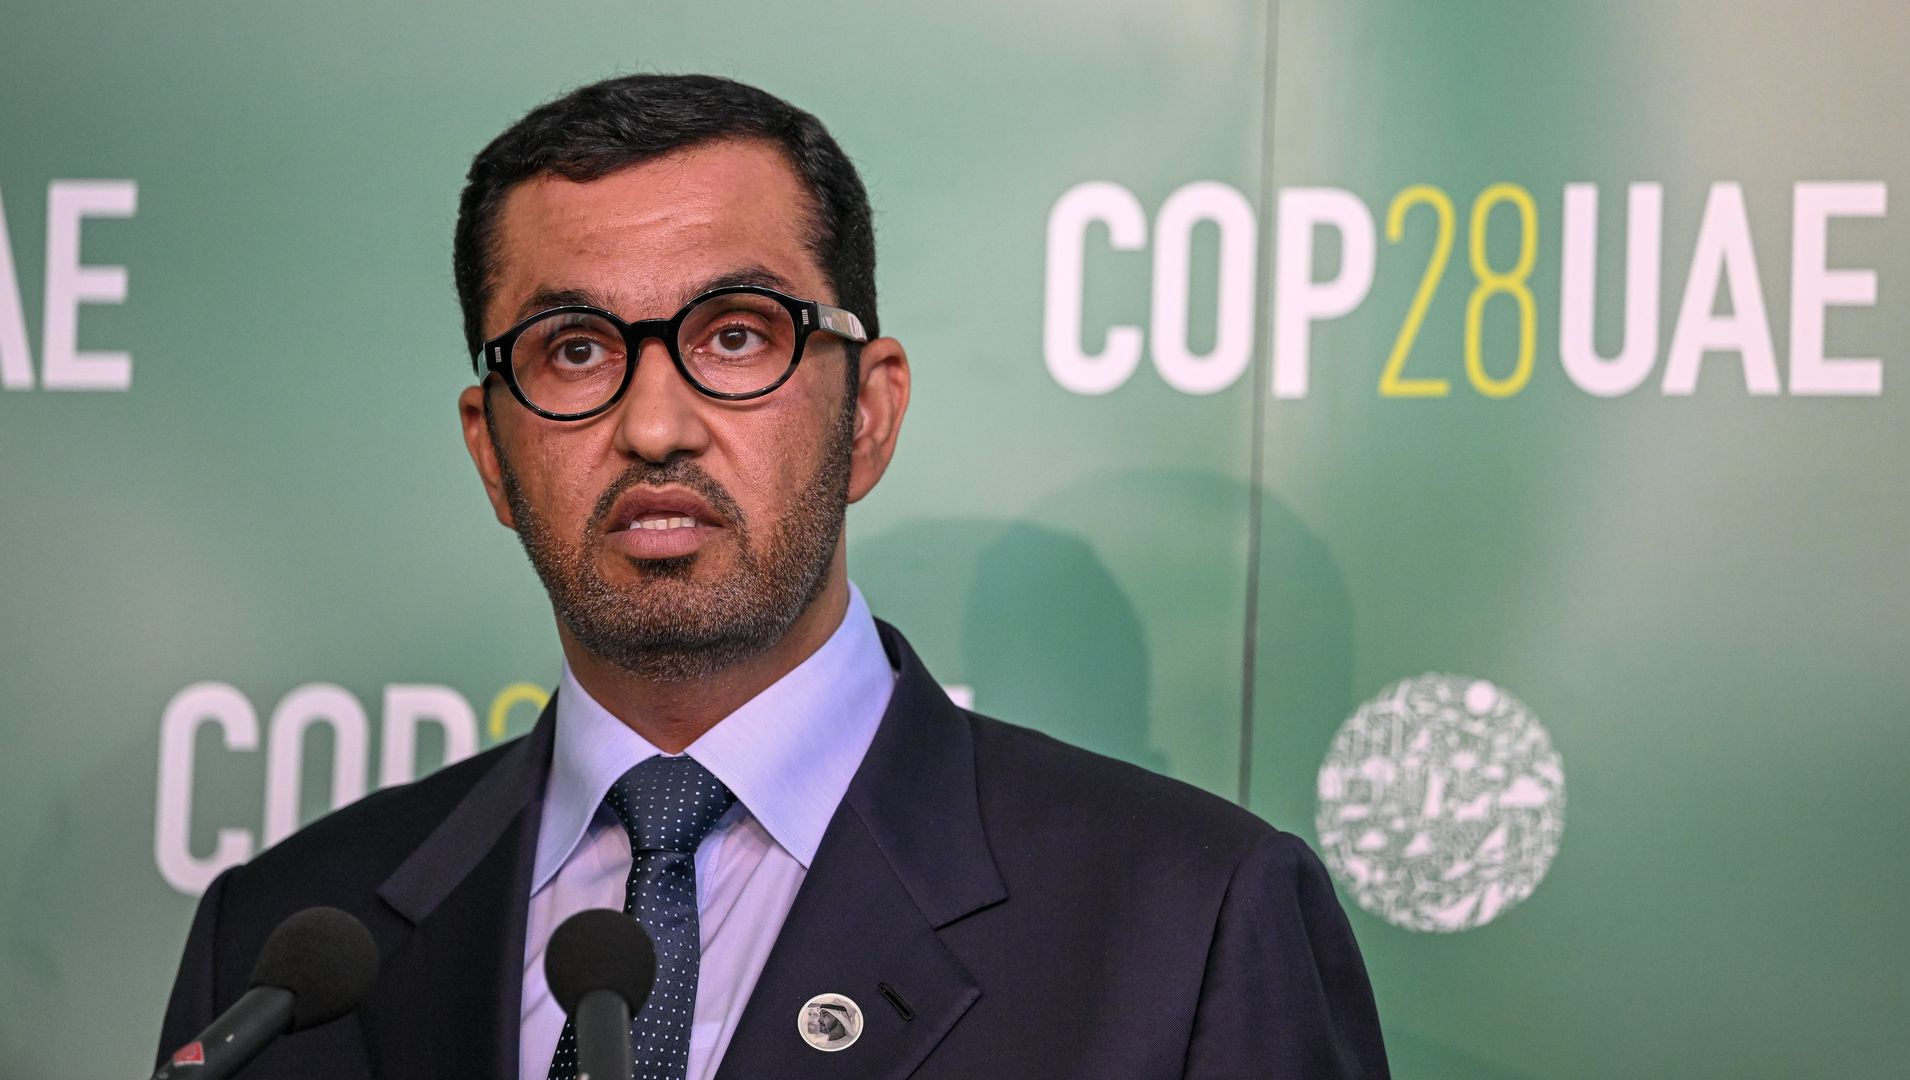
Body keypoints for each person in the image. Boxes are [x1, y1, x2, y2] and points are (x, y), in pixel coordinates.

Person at [157, 73, 1390, 1080]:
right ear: (492, 449)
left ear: (868, 415)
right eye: (574, 350)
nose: (655, 427)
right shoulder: (280, 950)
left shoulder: (1189, 921)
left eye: (735, 336)